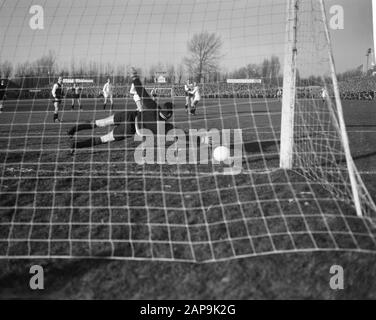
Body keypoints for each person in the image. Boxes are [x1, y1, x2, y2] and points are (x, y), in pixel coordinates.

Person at [68, 68, 174, 154]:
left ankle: (73, 130)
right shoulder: (163, 126)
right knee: (102, 139)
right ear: (169, 116)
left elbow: (142, 92)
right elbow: (178, 133)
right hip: (129, 129)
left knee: (99, 123)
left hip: (129, 115)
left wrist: (134, 77)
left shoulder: (154, 107)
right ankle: (75, 146)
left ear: (161, 107)